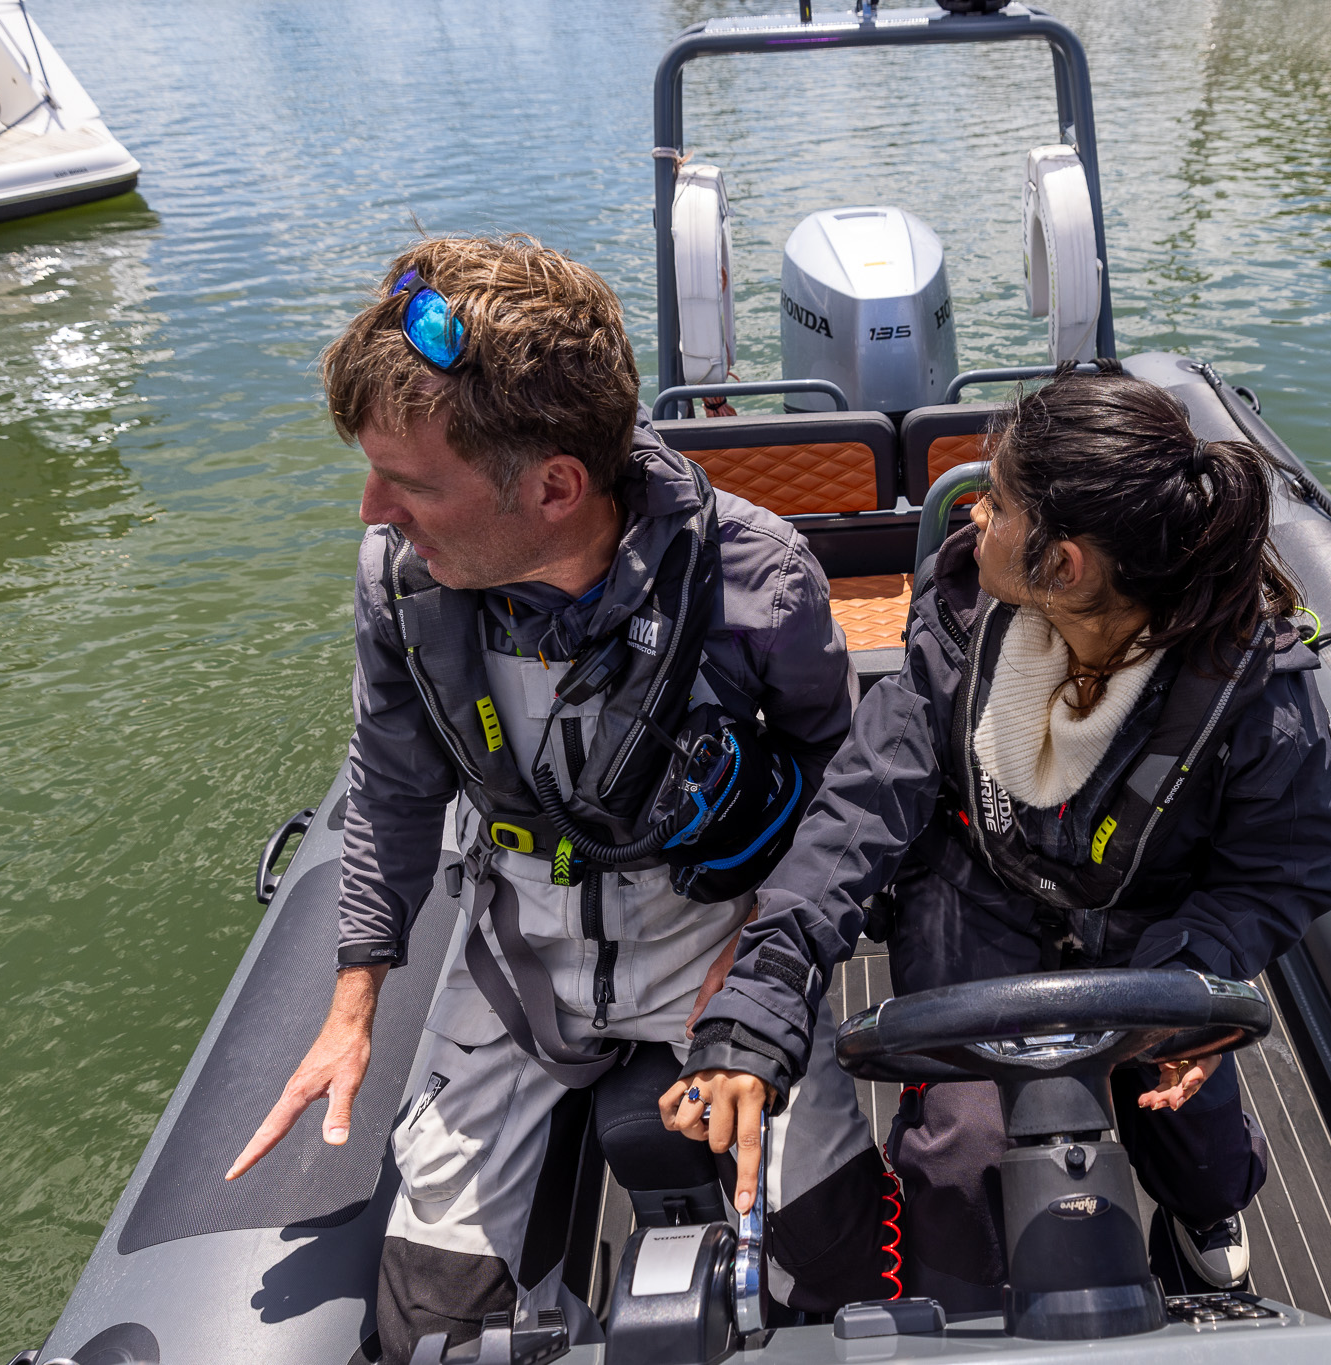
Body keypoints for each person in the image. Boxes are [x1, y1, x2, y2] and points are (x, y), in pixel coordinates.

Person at [225, 236, 893, 1361]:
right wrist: (353, 1005)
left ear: (554, 487)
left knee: (836, 1273)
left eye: (409, 483)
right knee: (426, 1322)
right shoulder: (398, 586)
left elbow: (838, 782)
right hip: (512, 954)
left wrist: (764, 969)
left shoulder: (758, 576)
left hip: (708, 946)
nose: (371, 512)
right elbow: (390, 787)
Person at [666, 361, 1331, 1304]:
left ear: (1062, 565)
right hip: (976, 895)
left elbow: (1283, 869)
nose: (972, 516)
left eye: (996, 500)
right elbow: (853, 820)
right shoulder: (953, 632)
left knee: (1200, 1141)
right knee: (959, 1167)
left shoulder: (1257, 697)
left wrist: (1197, 963)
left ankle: (1206, 1211)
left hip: (1156, 928)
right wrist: (755, 1012)